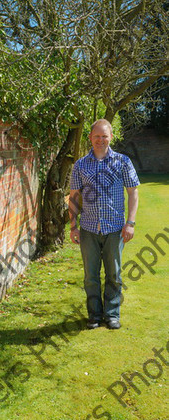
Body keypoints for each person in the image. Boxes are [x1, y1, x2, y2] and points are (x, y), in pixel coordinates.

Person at [69, 119, 140, 330]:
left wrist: (131, 223)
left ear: (111, 137)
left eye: (104, 136)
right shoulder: (80, 165)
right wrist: (73, 226)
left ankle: (112, 315)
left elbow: (133, 192)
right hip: (89, 229)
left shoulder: (123, 162)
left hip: (115, 229)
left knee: (114, 275)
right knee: (91, 276)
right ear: (90, 137)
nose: (100, 140)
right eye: (97, 136)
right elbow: (73, 197)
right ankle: (94, 315)